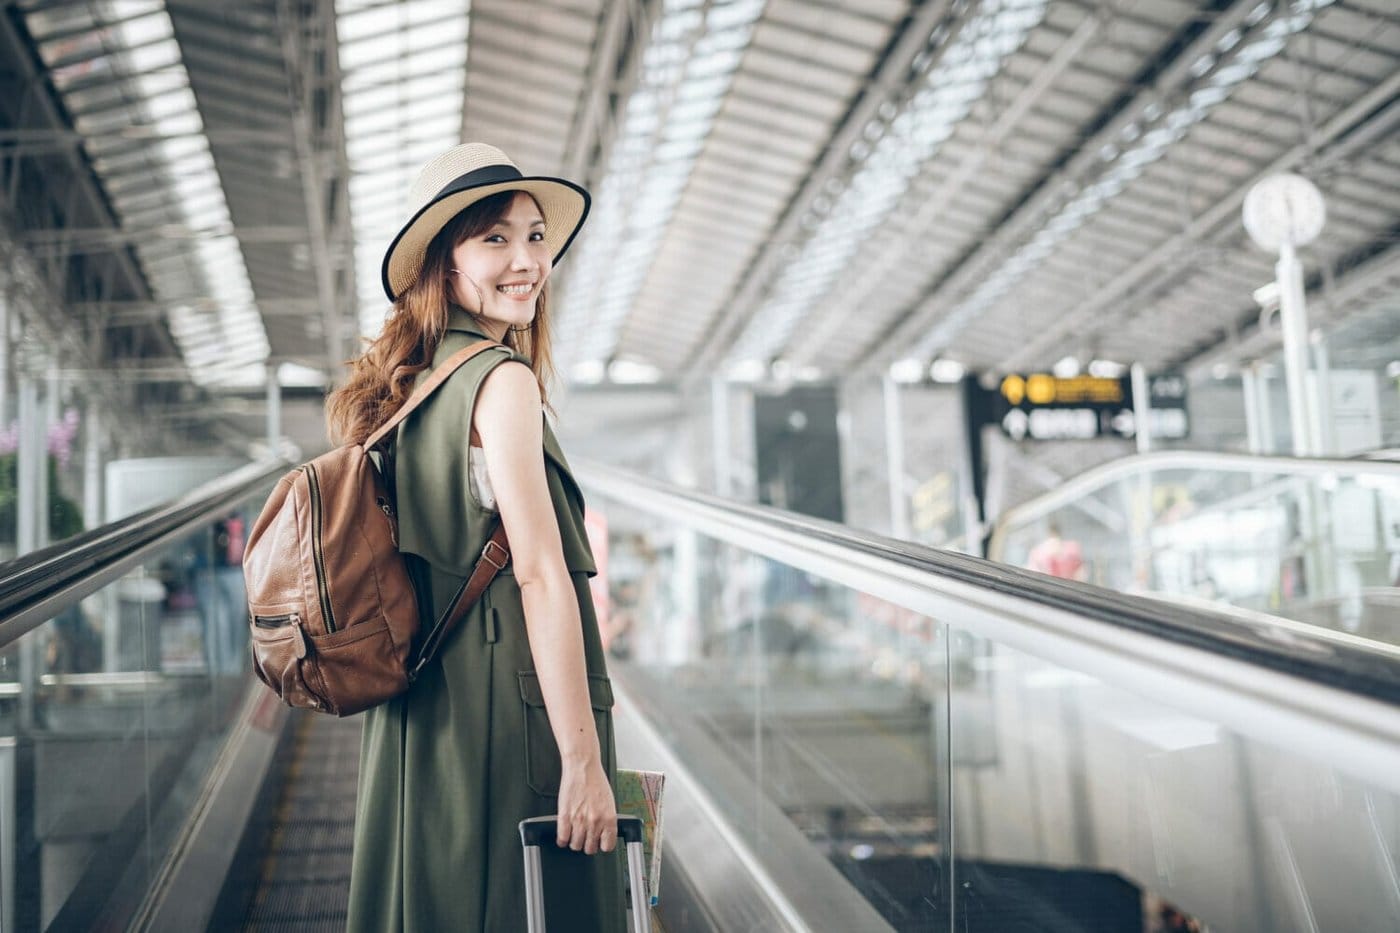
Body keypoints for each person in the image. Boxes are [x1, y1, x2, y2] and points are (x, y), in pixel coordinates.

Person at [328, 143, 623, 931]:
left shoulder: (411, 388)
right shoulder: (503, 381)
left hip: (423, 712)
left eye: (534, 235)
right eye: (494, 238)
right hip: (505, 710)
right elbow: (539, 575)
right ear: (444, 264)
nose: (526, 259)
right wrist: (584, 762)